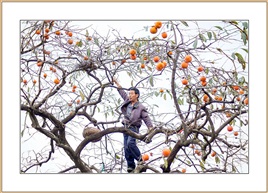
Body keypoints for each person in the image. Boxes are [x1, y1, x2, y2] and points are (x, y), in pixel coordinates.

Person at [113, 78, 154, 173]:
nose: (130, 95)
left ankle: (140, 160)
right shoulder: (127, 101)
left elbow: (146, 118)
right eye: (129, 93)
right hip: (125, 128)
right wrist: (116, 82)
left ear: (137, 95)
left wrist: (150, 127)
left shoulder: (140, 107)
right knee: (126, 147)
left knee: (130, 144)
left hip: (134, 128)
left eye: (132, 94)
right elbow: (121, 92)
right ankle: (131, 166)